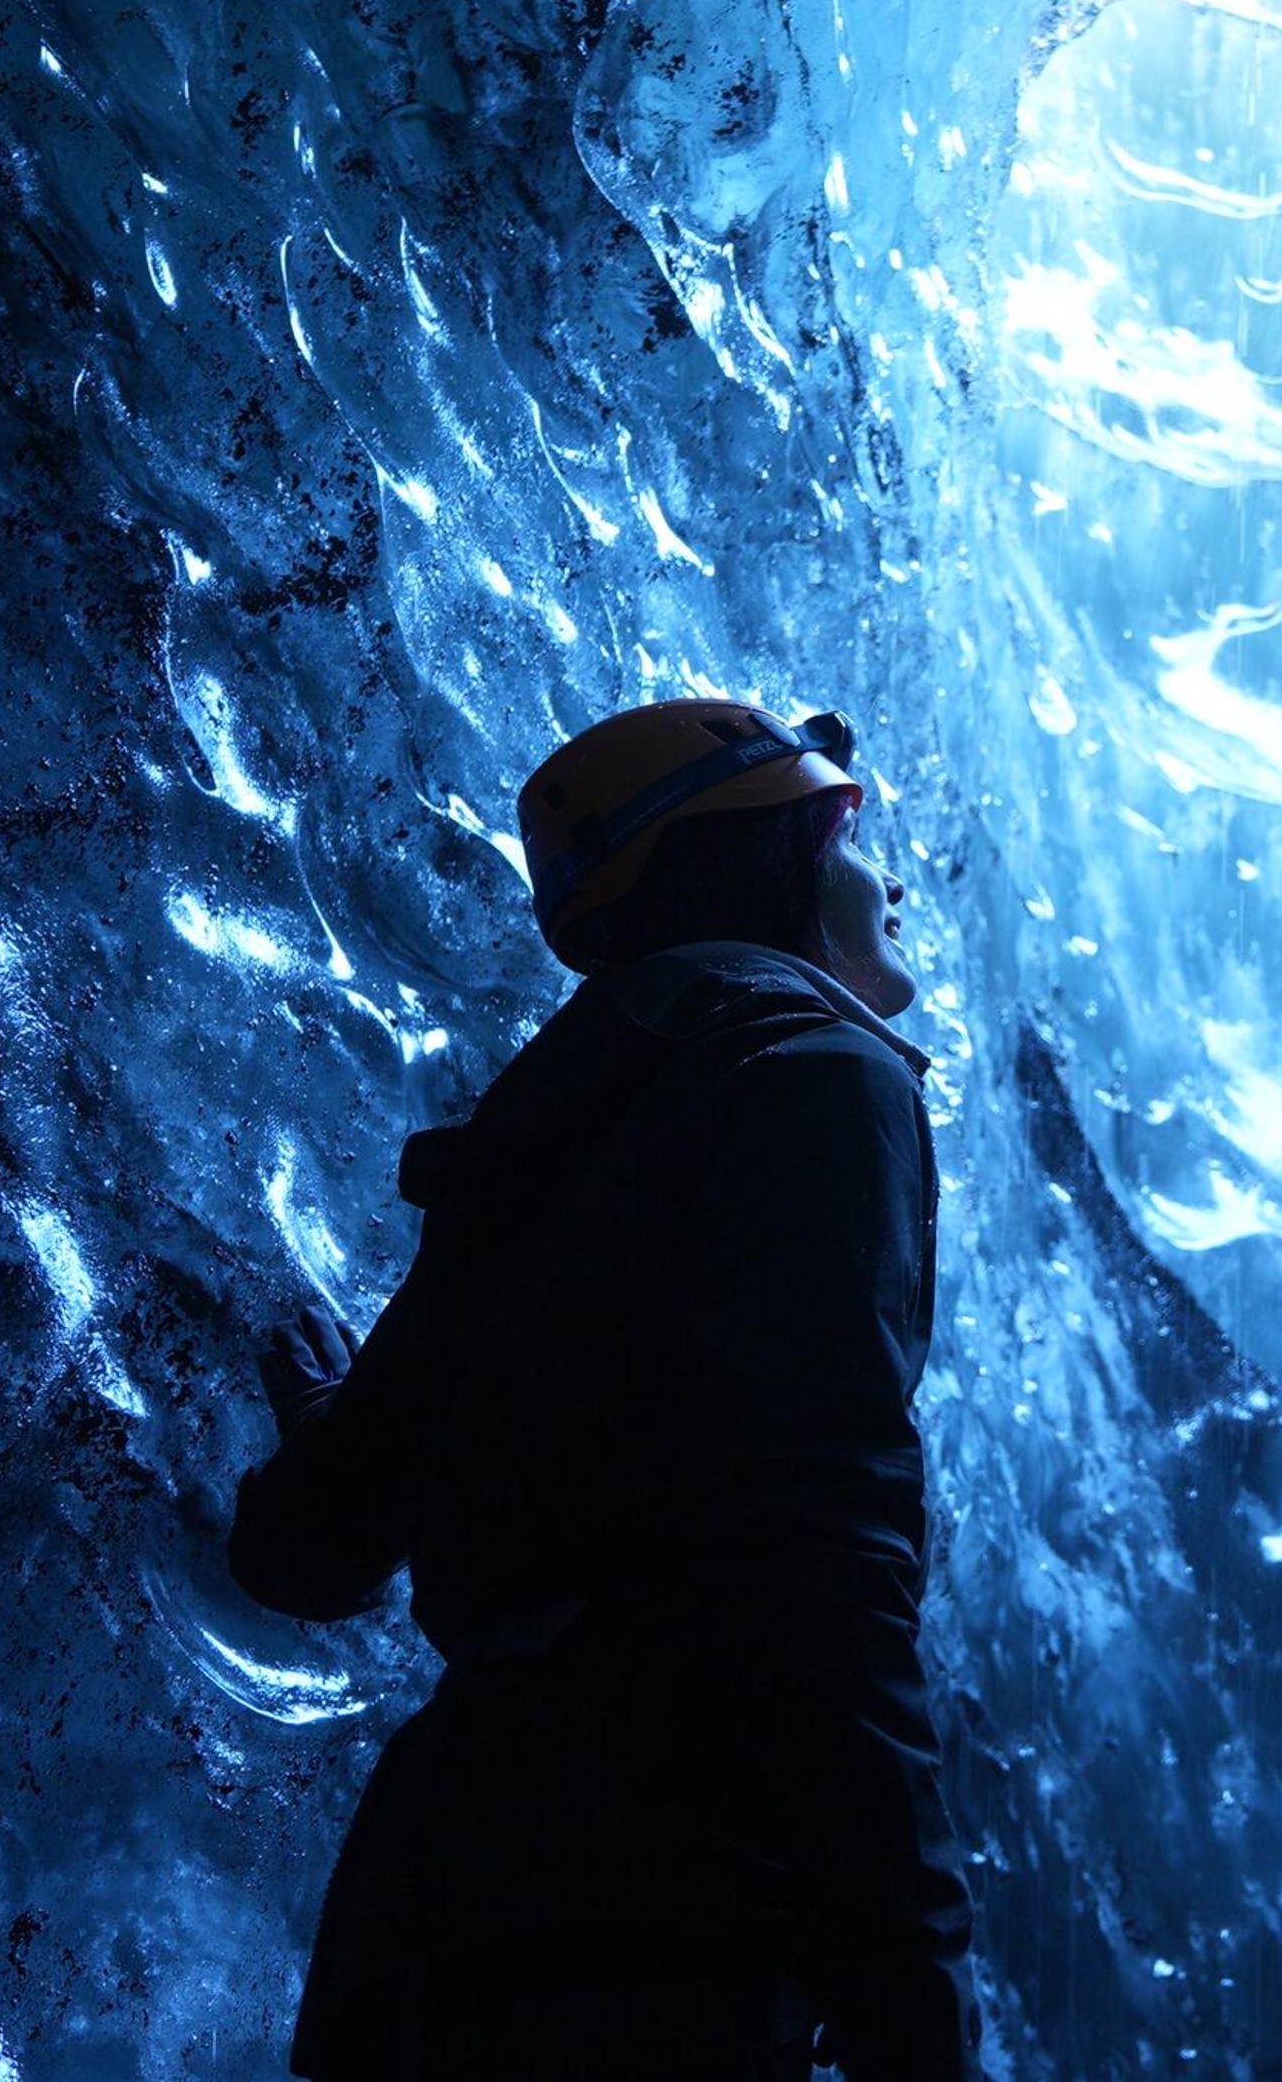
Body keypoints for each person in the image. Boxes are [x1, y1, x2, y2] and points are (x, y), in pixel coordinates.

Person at [228, 699, 979, 2082]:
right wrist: (910, 1978)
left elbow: (308, 1545)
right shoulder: (820, 1073)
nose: (892, 878)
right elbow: (827, 1545)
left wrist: (338, 1433)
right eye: (847, 832)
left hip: (431, 1893)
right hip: (652, 1904)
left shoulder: (548, 1120)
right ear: (767, 862)